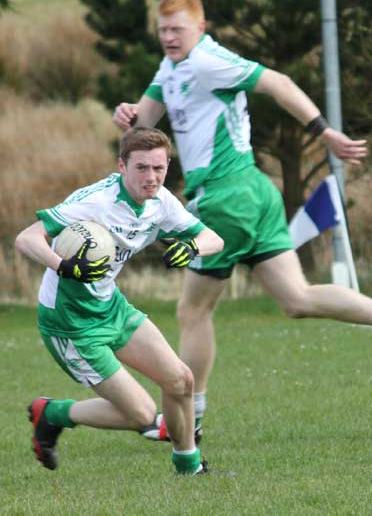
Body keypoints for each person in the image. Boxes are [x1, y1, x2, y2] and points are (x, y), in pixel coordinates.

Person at [112, 0, 372, 442]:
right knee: (297, 298)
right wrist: (126, 114)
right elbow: (142, 124)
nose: (168, 37)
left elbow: (278, 83)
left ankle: (190, 421)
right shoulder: (171, 67)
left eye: (178, 30)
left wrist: (323, 131)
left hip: (228, 199)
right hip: (255, 192)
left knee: (193, 310)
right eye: (163, 30)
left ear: (201, 29)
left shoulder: (209, 61)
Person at [15, 127, 224, 475]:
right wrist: (64, 265)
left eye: (159, 168)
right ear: (122, 166)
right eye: (141, 168)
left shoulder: (161, 201)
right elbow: (27, 238)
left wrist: (191, 247)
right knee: (142, 415)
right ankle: (51, 413)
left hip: (110, 306)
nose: (151, 177)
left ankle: (189, 467)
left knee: (180, 381)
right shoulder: (95, 202)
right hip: (70, 322)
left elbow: (213, 238)